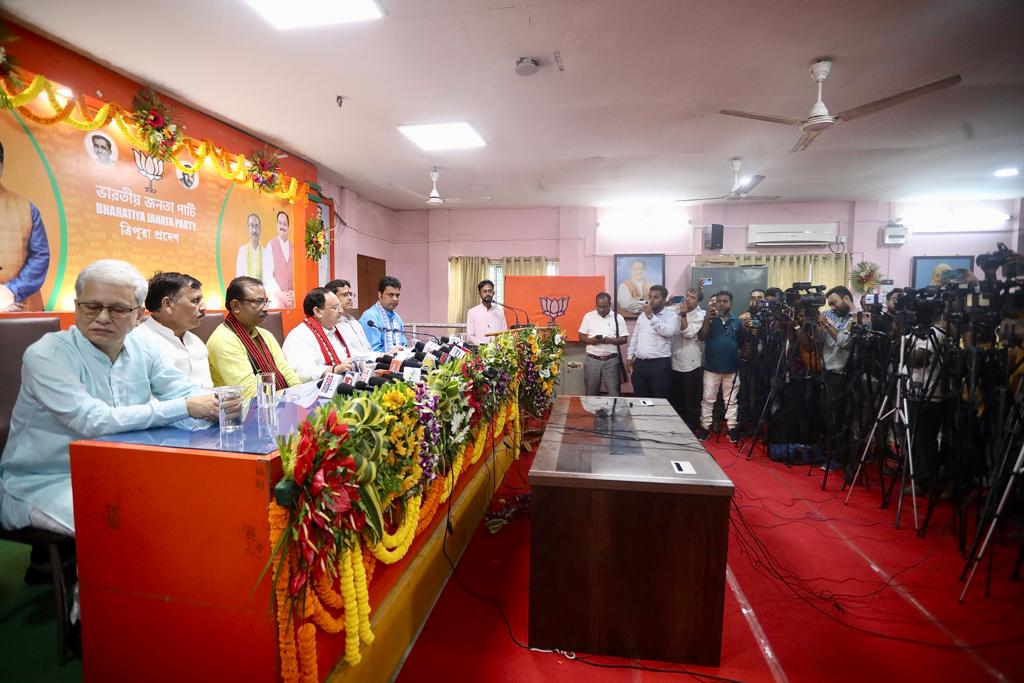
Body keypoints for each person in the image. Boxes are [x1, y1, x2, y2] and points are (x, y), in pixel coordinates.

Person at [0, 259, 222, 536]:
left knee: (192, 499)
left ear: (139, 315)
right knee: (127, 523)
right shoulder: (48, 353)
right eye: (91, 306)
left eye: (117, 309)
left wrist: (218, 402)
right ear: (77, 304)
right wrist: (186, 407)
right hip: (47, 480)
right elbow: (92, 421)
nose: (102, 317)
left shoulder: (143, 346)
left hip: (122, 470)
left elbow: (182, 389)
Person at [206, 276, 301, 398]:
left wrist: (299, 396)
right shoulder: (223, 340)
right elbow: (249, 394)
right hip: (245, 412)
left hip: (275, 403)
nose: (266, 308)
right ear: (236, 306)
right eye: (258, 302)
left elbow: (286, 372)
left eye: (266, 302)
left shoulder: (266, 335)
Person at [131, 271, 213, 388]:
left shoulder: (196, 341)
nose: (204, 307)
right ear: (168, 304)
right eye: (195, 301)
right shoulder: (139, 342)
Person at [0, 141, 51, 312]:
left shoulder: (27, 208)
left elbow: (40, 256)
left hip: (22, 307)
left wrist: (11, 291)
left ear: (2, 166)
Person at [697, 290, 744, 444]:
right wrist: (706, 320)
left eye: (725, 301)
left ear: (731, 303)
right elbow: (701, 337)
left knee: (731, 401)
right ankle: (705, 427)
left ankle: (732, 428)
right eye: (719, 301)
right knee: (708, 400)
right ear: (714, 302)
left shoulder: (737, 321)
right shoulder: (709, 319)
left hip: (732, 368)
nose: (722, 304)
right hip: (711, 367)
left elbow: (741, 342)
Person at [282, 287, 355, 382]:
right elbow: (304, 373)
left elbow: (352, 355)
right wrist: (335, 369)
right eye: (335, 307)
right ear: (318, 312)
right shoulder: (300, 336)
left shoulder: (335, 330)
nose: (341, 311)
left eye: (340, 307)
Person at [624, 285, 676, 398]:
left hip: (659, 365)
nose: (651, 300)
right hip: (640, 364)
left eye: (656, 297)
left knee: (659, 399)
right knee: (641, 399)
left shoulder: (671, 315)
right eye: (650, 296)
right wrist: (629, 357)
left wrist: (651, 316)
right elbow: (635, 337)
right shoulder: (642, 316)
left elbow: (668, 332)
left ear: (664, 299)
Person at [578, 292, 629, 396]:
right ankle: (592, 412)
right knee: (591, 394)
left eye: (604, 307)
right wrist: (590, 340)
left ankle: (614, 412)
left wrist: (610, 340)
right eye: (599, 306)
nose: (601, 309)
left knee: (614, 394)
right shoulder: (589, 316)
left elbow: (624, 339)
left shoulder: (618, 318)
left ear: (610, 304)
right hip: (592, 360)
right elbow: (581, 336)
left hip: (612, 361)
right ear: (596, 304)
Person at [670, 287, 705, 430]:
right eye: (687, 296)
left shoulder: (700, 315)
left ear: (699, 301)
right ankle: (677, 424)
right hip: (674, 359)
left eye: (693, 297)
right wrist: (669, 302)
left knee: (690, 396)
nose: (688, 299)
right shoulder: (676, 310)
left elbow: (687, 333)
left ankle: (691, 425)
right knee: (676, 395)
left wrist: (683, 315)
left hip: (691, 361)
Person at [326, 279, 378, 362]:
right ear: (333, 298)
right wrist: (380, 357)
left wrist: (383, 356)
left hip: (370, 363)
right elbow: (351, 355)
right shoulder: (333, 326)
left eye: (350, 294)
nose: (350, 298)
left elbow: (368, 349)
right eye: (345, 295)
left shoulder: (355, 322)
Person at [360, 275, 408, 353]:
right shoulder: (370, 317)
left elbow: (403, 345)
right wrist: (389, 354)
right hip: (377, 364)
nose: (395, 299)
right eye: (391, 295)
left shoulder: (397, 318)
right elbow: (372, 351)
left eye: (397, 295)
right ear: (380, 295)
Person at [264, 210, 295, 309]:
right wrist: (280, 293)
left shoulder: (294, 247)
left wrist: (295, 292)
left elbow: (298, 273)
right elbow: (267, 274)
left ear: (288, 227)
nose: (282, 226)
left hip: (293, 298)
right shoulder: (270, 245)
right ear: (277, 226)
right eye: (280, 223)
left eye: (285, 224)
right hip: (276, 298)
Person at [466, 279, 508, 343]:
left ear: (493, 293)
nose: (487, 294)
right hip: (479, 350)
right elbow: (470, 336)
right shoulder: (472, 312)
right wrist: (482, 345)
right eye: (484, 291)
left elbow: (505, 333)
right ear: (479, 294)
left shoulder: (499, 312)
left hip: (498, 349)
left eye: (490, 291)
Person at [235, 213, 264, 280]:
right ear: (248, 229)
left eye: (257, 226)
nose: (254, 230)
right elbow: (239, 279)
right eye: (251, 226)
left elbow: (267, 279)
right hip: (245, 290)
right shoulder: (242, 251)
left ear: (260, 230)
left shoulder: (265, 253)